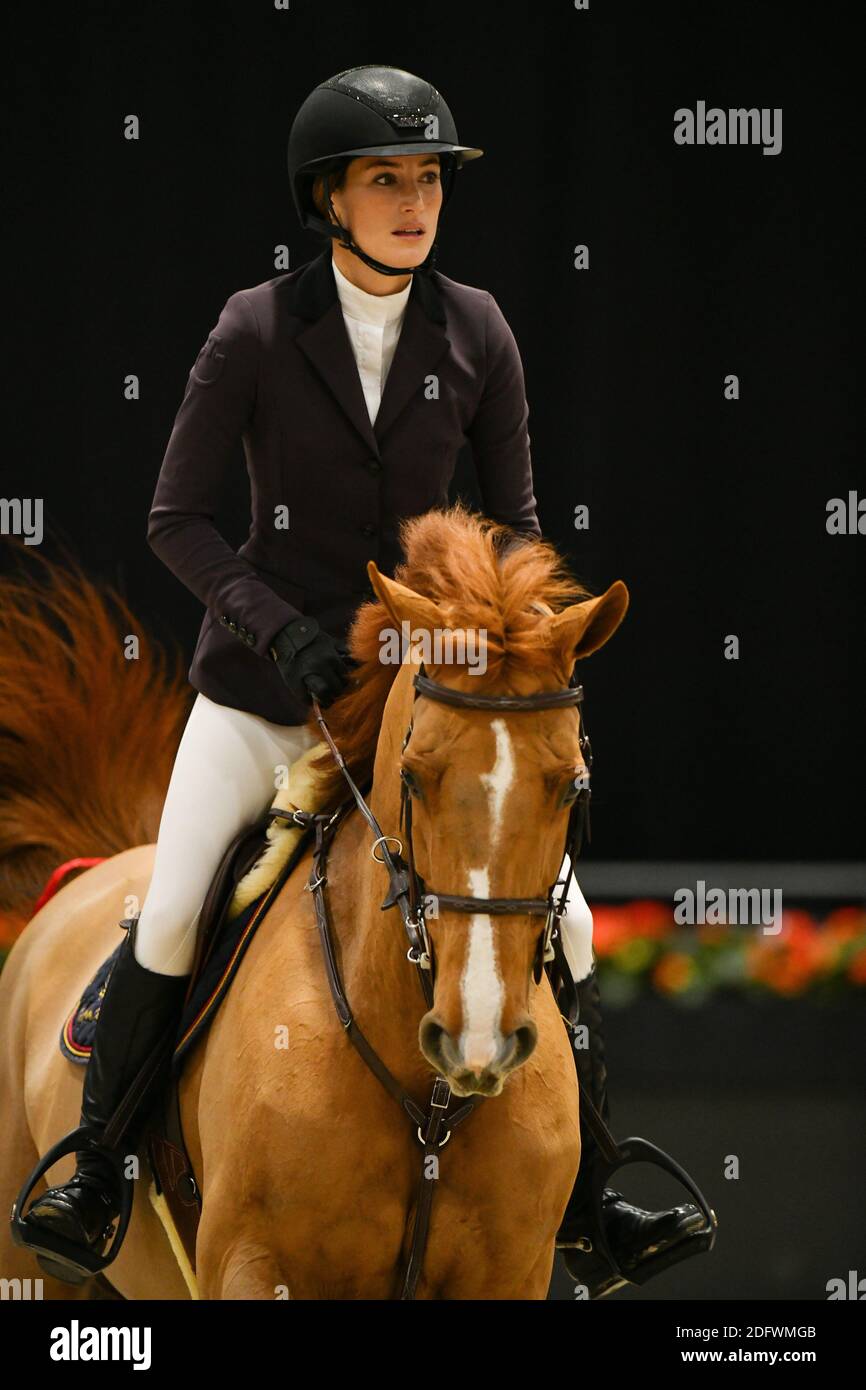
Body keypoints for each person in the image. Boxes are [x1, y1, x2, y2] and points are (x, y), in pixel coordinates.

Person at [13, 65, 711, 1295]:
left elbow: (517, 525)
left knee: (574, 923)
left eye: (428, 178)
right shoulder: (253, 328)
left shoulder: (479, 329)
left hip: (423, 708)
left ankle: (598, 1189)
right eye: (386, 178)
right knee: (171, 909)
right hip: (264, 704)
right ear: (328, 198)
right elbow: (177, 518)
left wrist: (515, 634)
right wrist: (278, 628)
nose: (412, 199)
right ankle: (94, 1172)